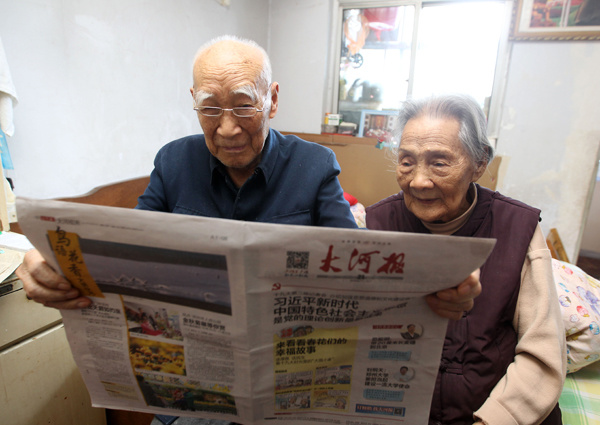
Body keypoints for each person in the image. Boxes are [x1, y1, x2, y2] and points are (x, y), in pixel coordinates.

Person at [16, 36, 483, 425]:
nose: (227, 130)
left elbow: (355, 263)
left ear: (272, 99)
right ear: (192, 103)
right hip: (194, 399)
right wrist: (50, 259)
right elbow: (124, 248)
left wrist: (443, 289)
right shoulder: (173, 162)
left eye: (243, 106)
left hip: (292, 396)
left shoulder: (314, 165)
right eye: (209, 109)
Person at [366, 94, 566, 425]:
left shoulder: (517, 227)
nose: (418, 180)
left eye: (439, 162)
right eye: (406, 161)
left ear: (479, 163)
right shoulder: (376, 225)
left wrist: (495, 420)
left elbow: (542, 354)